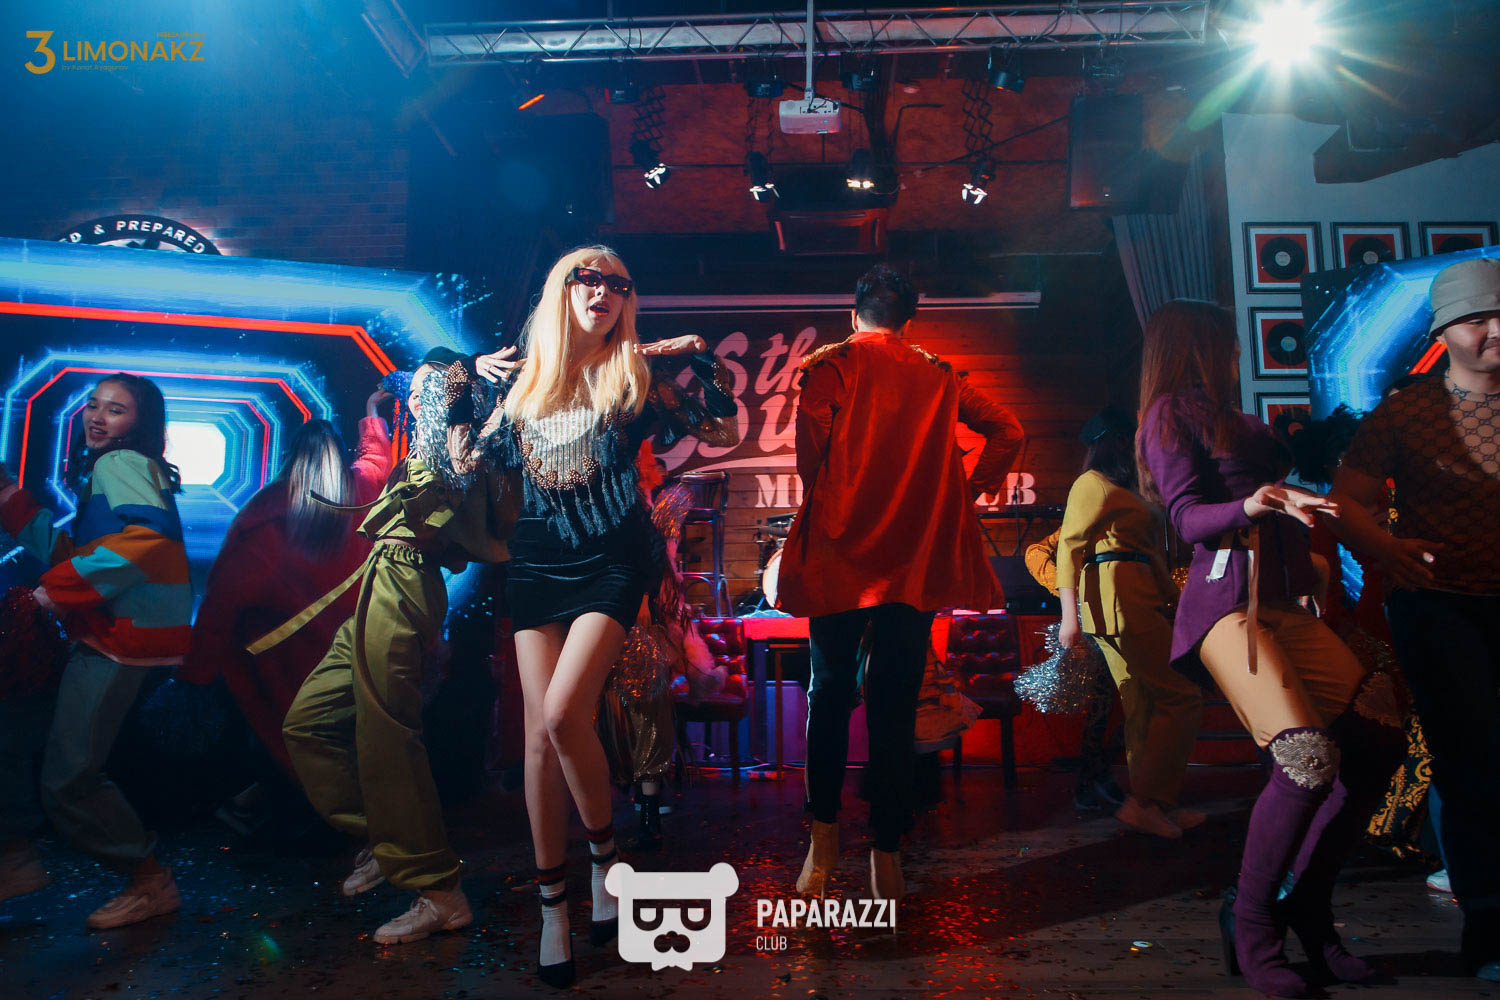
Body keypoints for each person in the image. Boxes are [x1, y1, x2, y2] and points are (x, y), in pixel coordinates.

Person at [480, 245, 737, 988]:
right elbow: (466, 460)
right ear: (561, 292)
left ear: (627, 302)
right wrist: (461, 377)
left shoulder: (635, 378)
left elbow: (721, 434)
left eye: (618, 284)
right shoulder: (524, 383)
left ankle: (603, 857)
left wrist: (706, 369)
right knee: (537, 738)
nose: (603, 291)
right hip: (536, 562)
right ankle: (555, 909)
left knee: (565, 714)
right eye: (587, 279)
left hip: (612, 561)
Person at [1136, 300, 1404, 998]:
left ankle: (1307, 906)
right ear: (1199, 345)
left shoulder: (1228, 415)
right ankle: (1253, 923)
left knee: (1378, 736)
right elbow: (1188, 517)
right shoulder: (1168, 413)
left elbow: (1274, 501)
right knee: (1306, 758)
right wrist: (1259, 503)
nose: (1236, 353)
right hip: (1228, 607)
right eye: (1227, 342)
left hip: (1284, 602)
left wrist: (1306, 546)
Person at [777, 264, 1024, 902]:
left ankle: (822, 844)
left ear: (853, 312)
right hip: (911, 559)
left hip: (841, 554)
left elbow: (811, 464)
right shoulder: (938, 373)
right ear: (909, 321)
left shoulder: (830, 365)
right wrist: (964, 491)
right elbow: (1009, 431)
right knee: (895, 707)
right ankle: (886, 853)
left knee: (829, 696)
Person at [282, 352, 516, 946]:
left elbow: (459, 459)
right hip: (379, 579)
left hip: (407, 581)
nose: (416, 392)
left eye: (429, 387)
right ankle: (383, 839)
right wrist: (376, 409)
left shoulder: (462, 444)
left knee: (387, 732)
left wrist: (462, 373)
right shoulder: (423, 441)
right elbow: (392, 416)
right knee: (308, 723)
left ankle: (437, 888)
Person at [1327, 257, 1500, 982]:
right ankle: (1489, 928)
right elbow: (1345, 500)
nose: (1496, 330)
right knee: (1473, 762)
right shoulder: (1405, 412)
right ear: (1443, 332)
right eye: (1477, 318)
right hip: (1441, 605)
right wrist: (1386, 547)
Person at [0, 373, 192, 929]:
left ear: (140, 423)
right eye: (93, 405)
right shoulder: (119, 467)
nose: (97, 417)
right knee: (18, 738)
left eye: (116, 409)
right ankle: (15, 859)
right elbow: (75, 552)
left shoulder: (119, 464)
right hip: (110, 637)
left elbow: (146, 539)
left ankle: (149, 881)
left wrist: (54, 593)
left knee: (70, 779)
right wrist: (9, 497)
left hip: (118, 643)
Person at [178, 396, 394, 823]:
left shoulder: (264, 518)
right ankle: (350, 827)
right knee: (341, 743)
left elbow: (221, 602)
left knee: (287, 740)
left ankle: (311, 822)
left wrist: (195, 674)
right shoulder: (363, 490)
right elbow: (375, 460)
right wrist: (371, 414)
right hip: (347, 650)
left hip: (281, 662)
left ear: (290, 457)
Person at [1056, 407, 1205, 838]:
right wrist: (1069, 618)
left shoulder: (1126, 487)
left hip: (1136, 595)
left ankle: (1153, 803)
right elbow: (1069, 547)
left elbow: (1148, 552)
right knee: (1181, 694)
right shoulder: (1092, 483)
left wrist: (1173, 598)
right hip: (1120, 600)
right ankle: (1148, 800)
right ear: (1117, 440)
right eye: (1132, 437)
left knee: (1143, 705)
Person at [1023, 528, 1126, 812]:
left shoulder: (1133, 517)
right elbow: (1035, 553)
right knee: (1101, 706)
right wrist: (1071, 592)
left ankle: (1098, 774)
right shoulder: (1084, 519)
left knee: (1139, 706)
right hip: (1097, 624)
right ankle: (1093, 777)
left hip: (1132, 615)